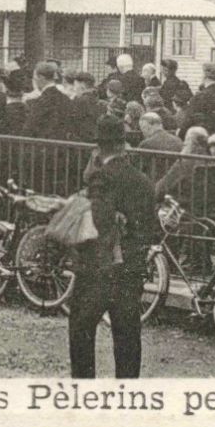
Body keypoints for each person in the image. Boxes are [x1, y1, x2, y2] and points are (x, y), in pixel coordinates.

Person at [68, 115, 155, 379]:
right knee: (127, 330)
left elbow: (99, 221)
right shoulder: (141, 180)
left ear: (98, 150)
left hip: (100, 266)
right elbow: (150, 225)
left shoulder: (101, 177)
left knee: (82, 326)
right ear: (123, 146)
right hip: (132, 264)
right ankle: (127, 389)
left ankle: (83, 386)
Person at [24, 62, 74, 140]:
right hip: (62, 146)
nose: (34, 81)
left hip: (43, 146)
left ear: (41, 77)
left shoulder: (40, 101)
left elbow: (30, 127)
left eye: (34, 78)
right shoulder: (66, 99)